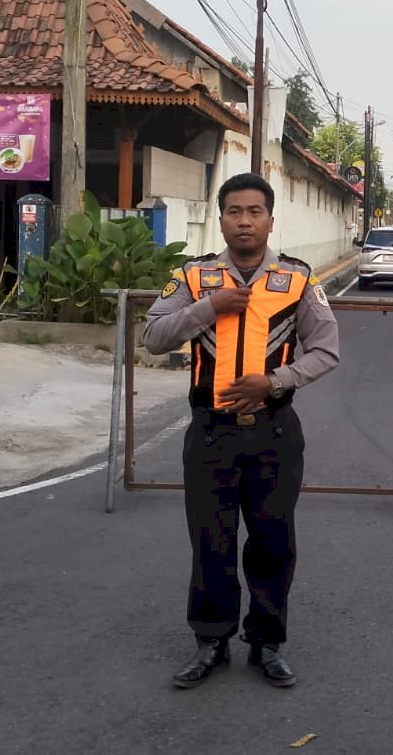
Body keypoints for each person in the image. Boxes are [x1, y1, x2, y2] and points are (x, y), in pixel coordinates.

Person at [142, 172, 341, 689]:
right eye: (234, 212)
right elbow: (152, 335)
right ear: (221, 219)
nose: (244, 221)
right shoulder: (193, 277)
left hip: (275, 433)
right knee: (211, 540)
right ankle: (211, 642)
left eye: (255, 212)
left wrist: (275, 381)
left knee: (273, 540)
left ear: (271, 220)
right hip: (211, 434)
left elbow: (326, 351)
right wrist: (209, 307)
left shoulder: (298, 280)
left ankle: (266, 643)